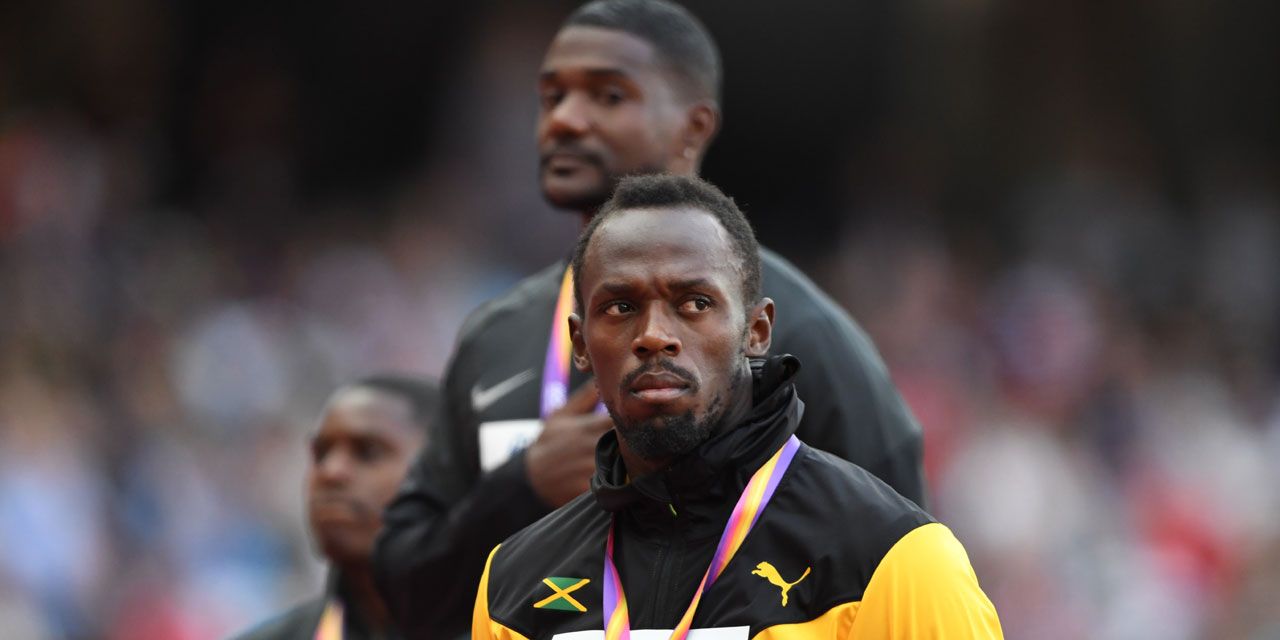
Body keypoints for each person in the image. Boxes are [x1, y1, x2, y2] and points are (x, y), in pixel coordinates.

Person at [375, 1, 925, 636]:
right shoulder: (497, 338)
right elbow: (399, 592)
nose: (564, 119)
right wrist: (522, 488)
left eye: (607, 96)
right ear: (581, 339)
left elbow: (897, 564)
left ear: (693, 128)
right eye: (552, 97)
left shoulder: (809, 335)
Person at [472, 174, 1000, 638]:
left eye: (695, 303)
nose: (654, 335)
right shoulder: (512, 587)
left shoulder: (891, 560)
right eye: (621, 307)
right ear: (581, 343)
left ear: (757, 330)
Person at [235, 375, 440, 640]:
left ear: (442, 473)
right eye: (321, 454)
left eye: (368, 452)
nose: (330, 472)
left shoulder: (492, 628)